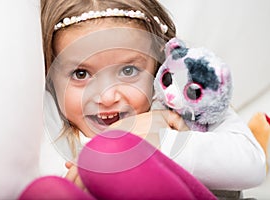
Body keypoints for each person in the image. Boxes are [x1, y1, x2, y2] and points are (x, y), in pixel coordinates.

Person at [39, 0, 266, 198]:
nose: (107, 97)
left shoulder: (186, 103)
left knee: (111, 155)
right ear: (50, 77)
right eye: (81, 74)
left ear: (159, 64)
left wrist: (155, 139)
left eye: (128, 71)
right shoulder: (49, 123)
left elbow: (252, 166)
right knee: (46, 191)